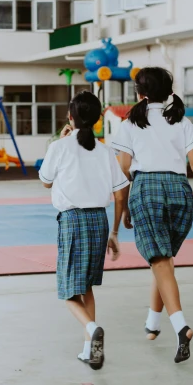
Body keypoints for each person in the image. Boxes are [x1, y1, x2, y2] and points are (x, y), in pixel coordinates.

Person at [110, 67, 193, 364]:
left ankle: (181, 326)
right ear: (168, 92)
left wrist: (124, 208)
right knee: (163, 259)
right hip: (180, 191)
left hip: (147, 190)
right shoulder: (180, 121)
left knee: (160, 259)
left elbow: (123, 171)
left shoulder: (130, 124)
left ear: (139, 94)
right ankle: (153, 323)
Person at [39, 91, 130, 370]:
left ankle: (92, 329)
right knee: (86, 286)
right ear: (99, 118)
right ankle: (90, 349)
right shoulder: (105, 151)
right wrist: (114, 233)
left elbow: (45, 182)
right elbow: (119, 193)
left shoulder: (60, 147)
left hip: (72, 221)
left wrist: (63, 140)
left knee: (68, 291)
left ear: (70, 117)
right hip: (99, 222)